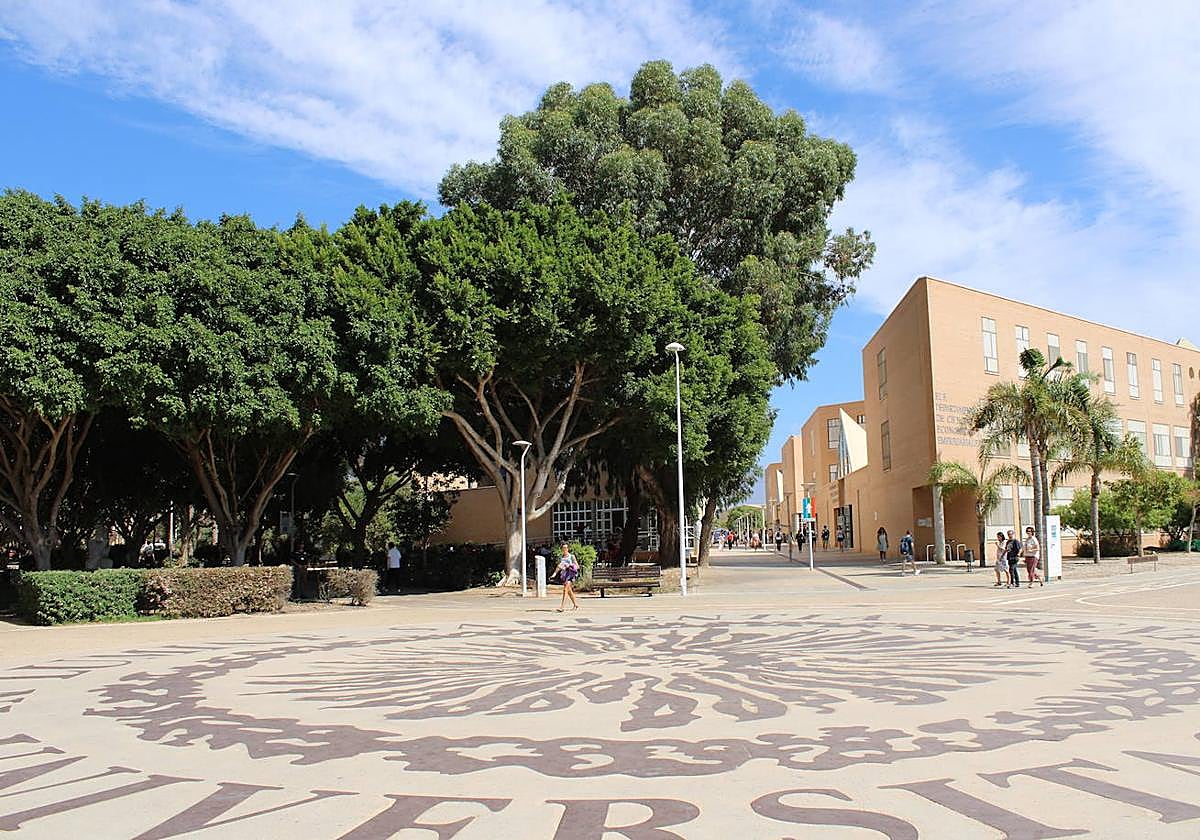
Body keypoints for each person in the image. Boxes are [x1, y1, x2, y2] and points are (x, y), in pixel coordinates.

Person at [555, 542, 580, 611]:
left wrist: (570, 566)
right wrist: (555, 573)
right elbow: (559, 566)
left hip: (570, 575)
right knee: (569, 591)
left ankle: (562, 607)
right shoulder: (561, 557)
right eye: (563, 548)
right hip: (564, 575)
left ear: (568, 548)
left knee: (565, 589)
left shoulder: (571, 556)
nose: (565, 549)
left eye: (566, 548)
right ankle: (576, 605)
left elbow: (577, 566)